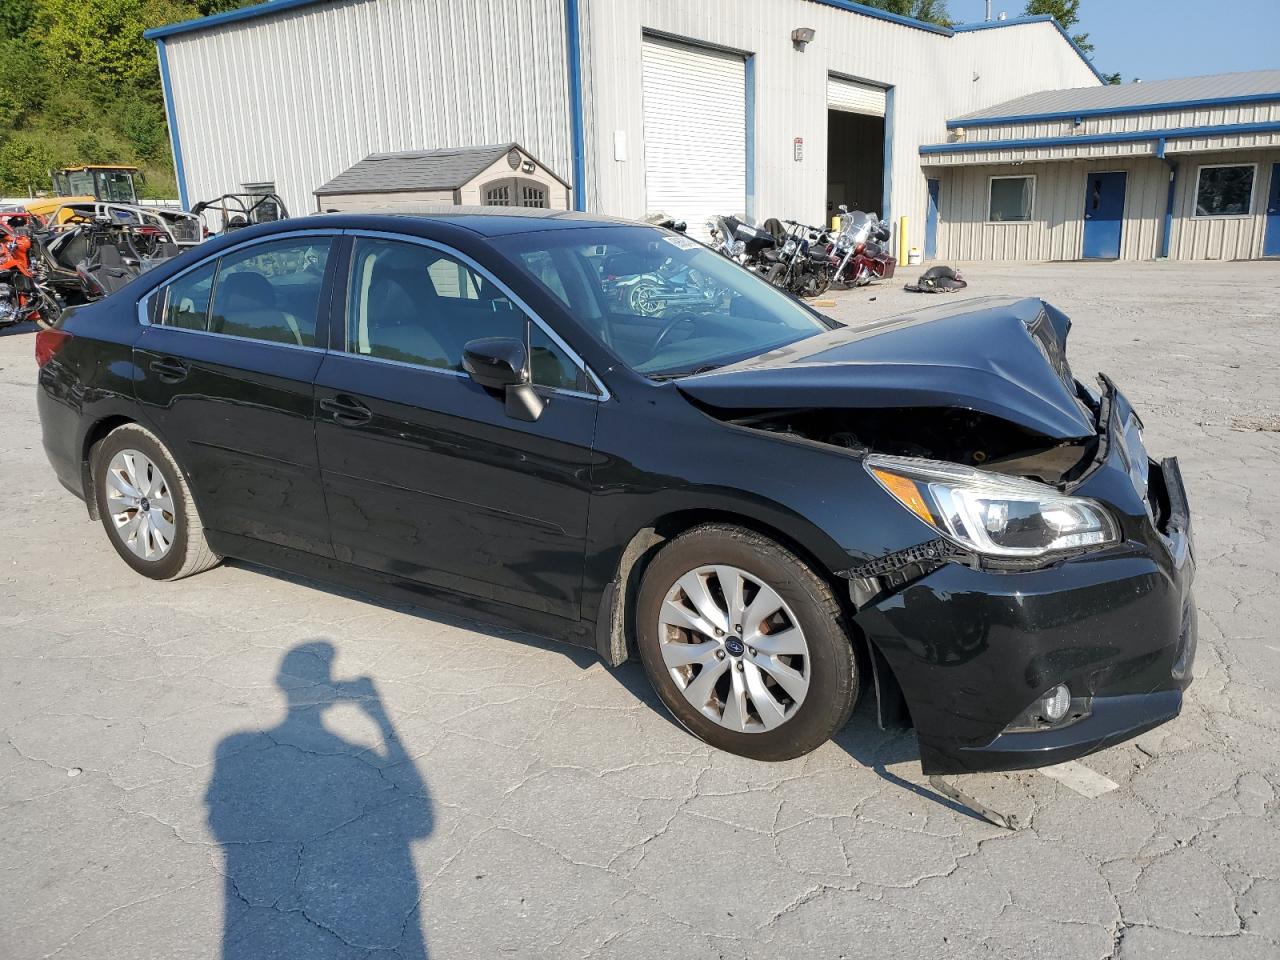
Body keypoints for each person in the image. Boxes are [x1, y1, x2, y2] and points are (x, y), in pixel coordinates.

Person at [206, 641, 431, 958]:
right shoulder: (356, 752)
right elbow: (421, 821)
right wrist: (379, 714)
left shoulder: (232, 746)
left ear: (280, 683)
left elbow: (217, 819)